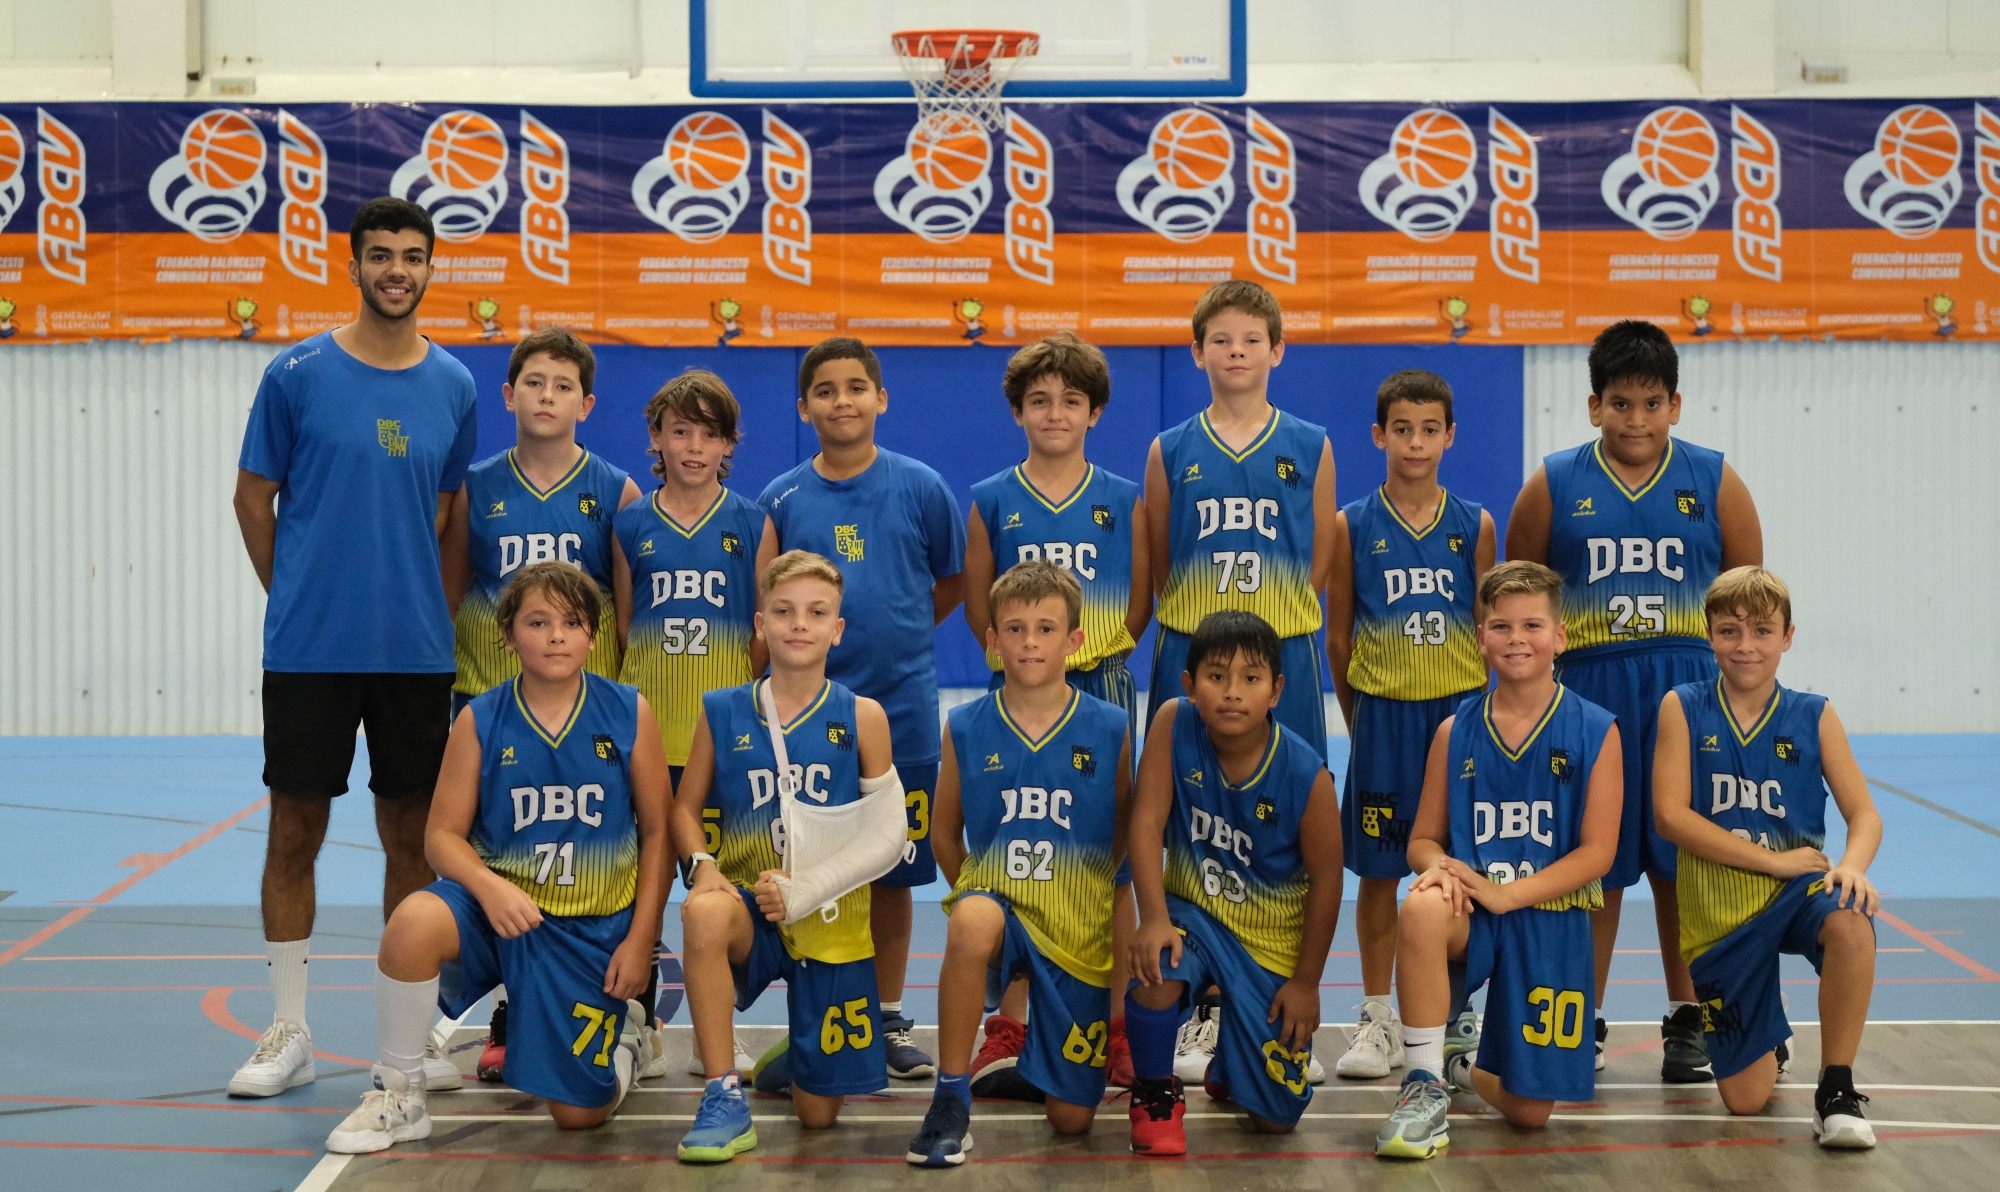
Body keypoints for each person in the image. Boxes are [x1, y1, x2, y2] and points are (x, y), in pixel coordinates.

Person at [229, 197, 477, 1099]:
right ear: (355, 265)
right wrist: (296, 595)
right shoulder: (295, 374)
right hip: (309, 652)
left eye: (413, 255)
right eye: (381, 255)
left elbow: (446, 514)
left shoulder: (454, 384)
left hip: (414, 654)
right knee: (294, 828)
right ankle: (287, 1028)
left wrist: (429, 613)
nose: (397, 270)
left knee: (412, 837)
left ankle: (402, 1042)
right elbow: (252, 499)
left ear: (431, 267)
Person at [324, 562, 672, 1153]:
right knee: (413, 921)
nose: (556, 636)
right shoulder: (480, 718)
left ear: (593, 636)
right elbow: (441, 837)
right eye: (538, 622)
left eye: (572, 622)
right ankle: (400, 1093)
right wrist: (489, 888)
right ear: (507, 635)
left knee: (577, 1116)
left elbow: (659, 833)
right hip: (501, 912)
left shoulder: (627, 710)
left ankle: (628, 1045)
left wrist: (642, 940)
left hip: (589, 927)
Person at [1506, 319, 1763, 1080]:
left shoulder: (1715, 480)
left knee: (1686, 861)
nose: (1637, 419)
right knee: (1594, 862)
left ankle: (1692, 1016)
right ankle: (1579, 1015)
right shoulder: (1554, 483)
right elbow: (1518, 598)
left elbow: (1748, 601)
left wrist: (1744, 699)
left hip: (1690, 694)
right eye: (1620, 403)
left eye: (1652, 403)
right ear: (1594, 406)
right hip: (1590, 693)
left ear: (1675, 405)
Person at [756, 338, 967, 1079]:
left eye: (855, 387)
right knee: (809, 870)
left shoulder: (921, 487)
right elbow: (768, 602)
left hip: (902, 714)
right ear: (802, 407)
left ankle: (884, 1017)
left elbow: (950, 580)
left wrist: (900, 633)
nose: (841, 401)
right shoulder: (781, 499)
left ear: (881, 398)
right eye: (825, 390)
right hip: (807, 721)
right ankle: (819, 1017)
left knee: (893, 873)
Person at [1143, 280, 1337, 1085]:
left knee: (1286, 835)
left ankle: (1280, 1005)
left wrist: (1269, 642)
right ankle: (1203, 1006)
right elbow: (1160, 563)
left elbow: (1318, 559)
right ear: (1197, 353)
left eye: (1251, 339)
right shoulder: (1170, 449)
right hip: (1193, 647)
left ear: (1276, 350)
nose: (1235, 352)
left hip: (1281, 650)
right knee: (1188, 829)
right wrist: (1211, 651)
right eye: (1220, 340)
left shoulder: (1311, 444)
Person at [442, 328, 641, 1082]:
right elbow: (452, 589)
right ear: (508, 394)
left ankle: (631, 1008)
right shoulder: (476, 488)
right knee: (506, 856)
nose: (547, 396)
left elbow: (624, 617)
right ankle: (510, 1010)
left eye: (563, 385)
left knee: (600, 856)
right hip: (489, 705)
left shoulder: (615, 490)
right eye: (534, 382)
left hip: (583, 716)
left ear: (585, 404)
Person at [1374, 561, 1621, 1160]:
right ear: (1480, 637)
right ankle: (1423, 1085)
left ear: (1560, 636)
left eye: (1532, 625)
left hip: (1550, 916)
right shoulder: (1455, 730)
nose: (1517, 639)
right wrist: (1440, 867)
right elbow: (1422, 841)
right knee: (1423, 906)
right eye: (1502, 626)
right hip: (1475, 913)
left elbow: (1599, 853)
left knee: (1529, 1113)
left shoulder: (1596, 729)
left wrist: (1508, 893)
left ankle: (1464, 1065)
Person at [671, 551, 904, 1162]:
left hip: (830, 914)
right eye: (784, 611)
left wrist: (807, 887)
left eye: (816, 612)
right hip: (752, 908)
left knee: (819, 1118)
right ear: (760, 624)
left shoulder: (864, 717)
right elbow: (683, 810)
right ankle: (723, 1095)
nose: (800, 623)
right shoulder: (722, 709)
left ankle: (799, 1053)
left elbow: (887, 834)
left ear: (837, 629)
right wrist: (703, 866)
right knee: (703, 912)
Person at [963, 333, 1148, 1088]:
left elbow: (1140, 600)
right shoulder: (990, 498)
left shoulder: (1124, 499)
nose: (1055, 413)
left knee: (1114, 865)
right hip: (1016, 697)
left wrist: (1089, 654)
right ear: (1017, 411)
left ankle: (1118, 1025)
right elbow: (979, 606)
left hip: (1099, 688)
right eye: (1039, 400)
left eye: (1071, 400)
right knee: (1016, 852)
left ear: (1094, 412)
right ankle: (1009, 1025)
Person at [906, 562, 1133, 1165]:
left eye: (1045, 628)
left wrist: (1080, 888)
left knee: (1071, 1121)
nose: (1030, 642)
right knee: (971, 919)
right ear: (992, 640)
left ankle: (1041, 1059)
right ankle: (950, 1097)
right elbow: (944, 833)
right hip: (999, 909)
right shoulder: (965, 725)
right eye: (1015, 628)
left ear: (1074, 640)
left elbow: (1121, 833)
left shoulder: (1111, 727)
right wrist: (977, 895)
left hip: (1074, 927)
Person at [1653, 566, 1882, 1148]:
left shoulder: (1813, 714)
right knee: (1746, 1100)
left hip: (1798, 894)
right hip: (1722, 916)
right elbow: (1671, 816)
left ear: (1787, 637)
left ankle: (1836, 1089)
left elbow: (1865, 814)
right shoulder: (1683, 706)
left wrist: (1851, 866)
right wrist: (1774, 861)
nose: (1746, 645)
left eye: (1762, 630)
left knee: (1851, 920)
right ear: (1709, 635)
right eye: (1729, 631)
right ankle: (1769, 1031)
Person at [1326, 369, 1493, 1081]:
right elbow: (1338, 636)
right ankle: (1378, 1016)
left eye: (1429, 429)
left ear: (1450, 436)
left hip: (1457, 716)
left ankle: (1457, 1015)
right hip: (1384, 716)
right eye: (1402, 429)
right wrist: (1361, 716)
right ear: (1378, 436)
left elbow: (1487, 628)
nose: (1415, 442)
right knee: (1378, 872)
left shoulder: (1475, 524)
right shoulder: (1352, 525)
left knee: (1460, 868)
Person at [1124, 611, 1342, 1154]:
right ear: (1189, 683)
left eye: (1251, 678)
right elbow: (1146, 822)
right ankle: (1154, 1095)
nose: (1232, 692)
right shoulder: (1174, 723)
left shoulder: (1306, 773)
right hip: (1192, 915)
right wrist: (1153, 918)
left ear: (1277, 690)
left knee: (1275, 1121)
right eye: (1217, 676)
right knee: (1156, 967)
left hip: (1267, 944)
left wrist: (1307, 983)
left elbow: (1328, 880)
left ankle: (1231, 1061)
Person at [613, 368, 769, 1080]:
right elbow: (624, 626)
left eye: (710, 433)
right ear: (657, 438)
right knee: (637, 886)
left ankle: (717, 1032)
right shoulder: (630, 524)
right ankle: (637, 1024)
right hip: (649, 738)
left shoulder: (752, 522)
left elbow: (762, 632)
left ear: (729, 443)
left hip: (721, 742)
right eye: (681, 431)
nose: (695, 446)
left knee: (719, 886)